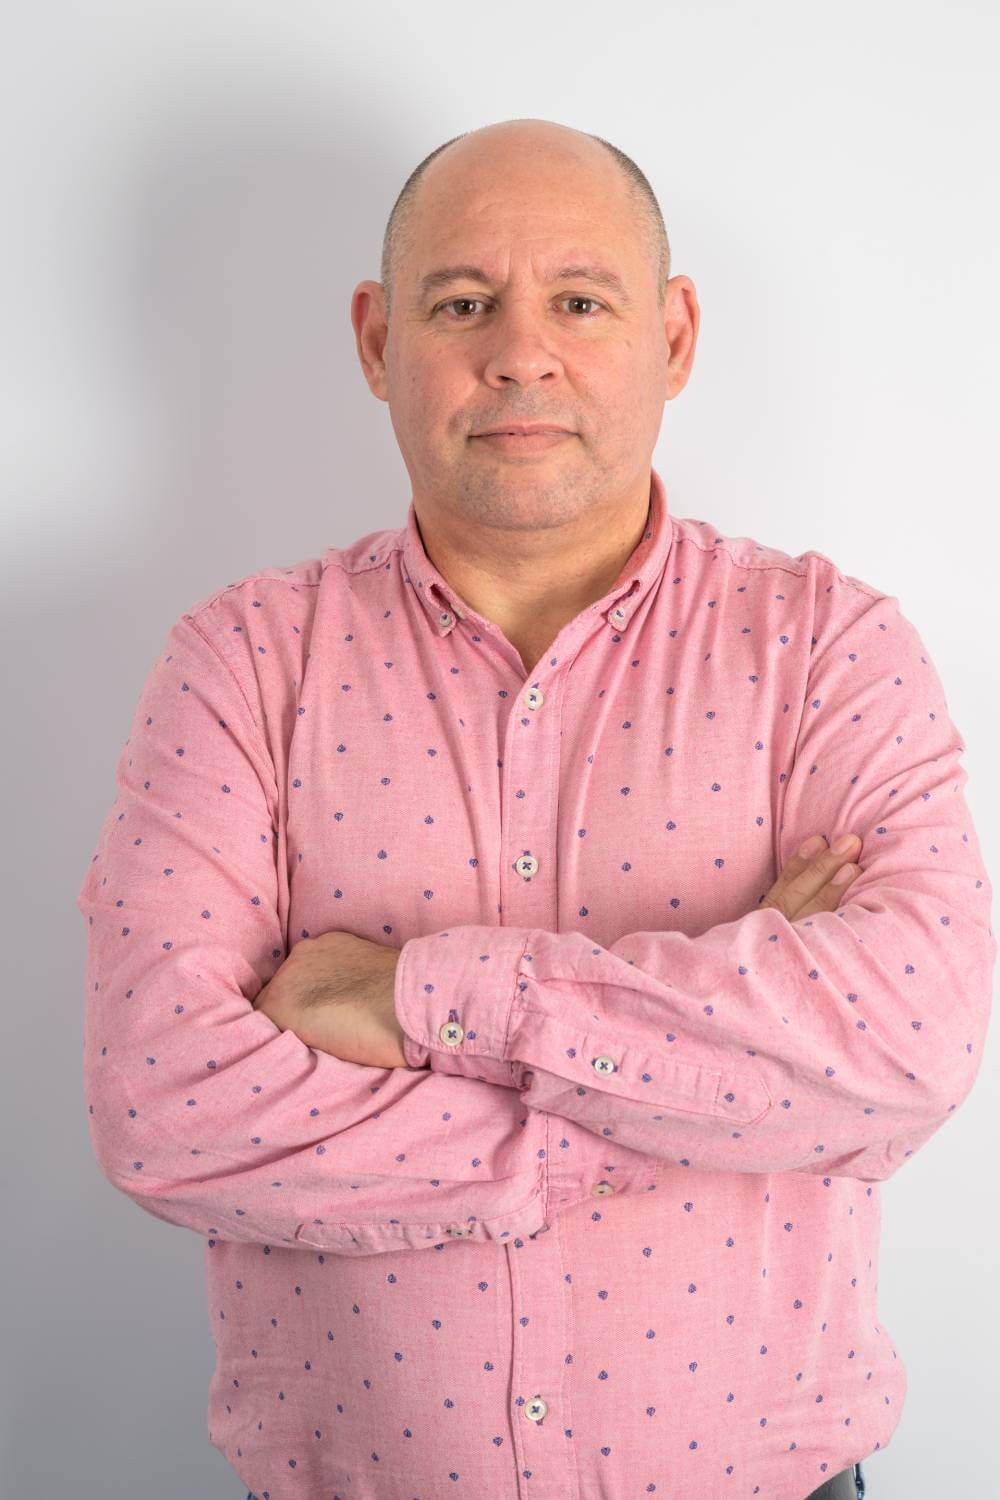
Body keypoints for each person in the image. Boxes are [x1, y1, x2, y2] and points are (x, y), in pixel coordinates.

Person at [76, 117, 993, 1500]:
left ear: (673, 337)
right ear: (378, 339)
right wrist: (698, 1087)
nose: (520, 352)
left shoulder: (829, 650)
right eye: (463, 304)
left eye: (579, 300)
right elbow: (164, 1101)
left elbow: (913, 1041)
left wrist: (422, 1003)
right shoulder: (243, 665)